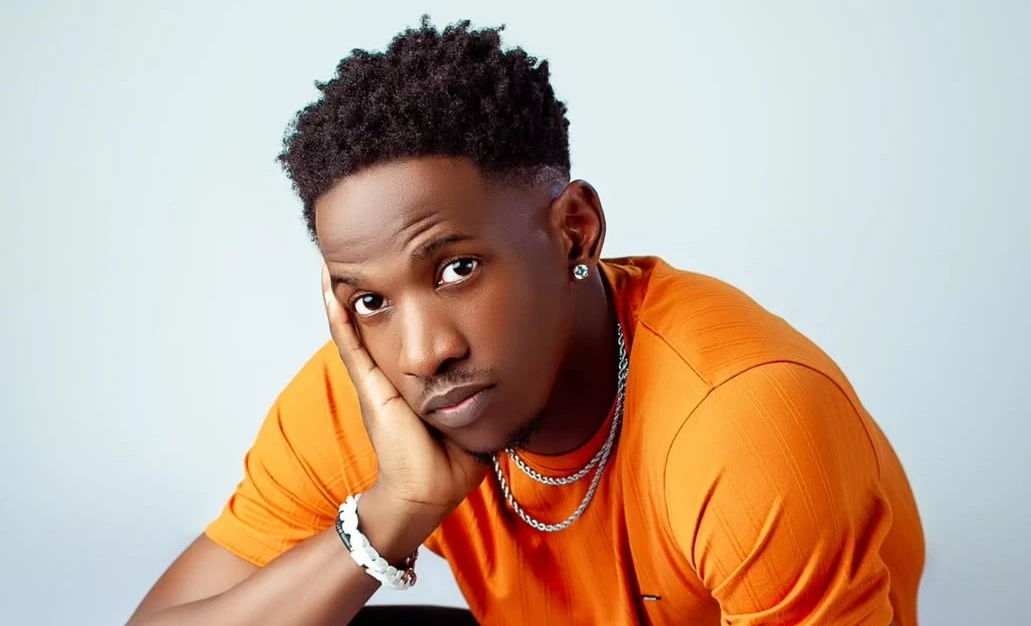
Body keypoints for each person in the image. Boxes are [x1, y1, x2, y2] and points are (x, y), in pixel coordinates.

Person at [128, 17, 924, 626]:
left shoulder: (739, 422)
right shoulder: (371, 401)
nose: (424, 353)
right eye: (370, 301)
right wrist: (393, 512)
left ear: (574, 231)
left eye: (457, 269)